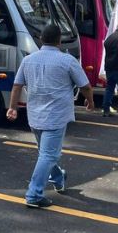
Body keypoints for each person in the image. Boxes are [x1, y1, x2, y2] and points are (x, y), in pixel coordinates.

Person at [7, 24, 94, 208]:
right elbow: (85, 86)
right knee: (48, 154)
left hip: (34, 116)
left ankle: (58, 177)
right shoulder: (67, 60)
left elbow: (16, 85)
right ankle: (34, 194)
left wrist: (12, 107)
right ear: (59, 41)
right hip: (55, 116)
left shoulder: (28, 59)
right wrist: (90, 102)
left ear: (41, 39)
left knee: (46, 153)